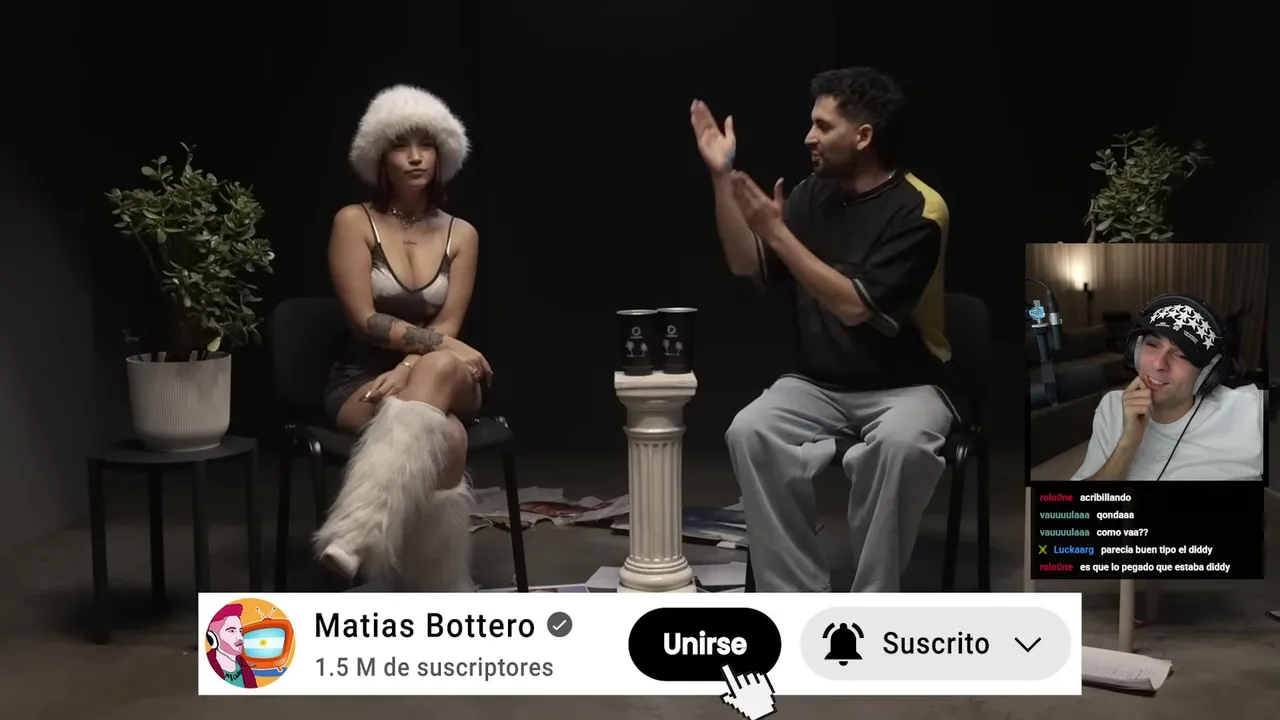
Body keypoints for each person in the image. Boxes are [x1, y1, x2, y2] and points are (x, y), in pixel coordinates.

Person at [691, 66, 956, 592]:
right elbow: (747, 262)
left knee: (902, 447)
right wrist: (722, 176)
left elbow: (854, 306)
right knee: (751, 430)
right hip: (818, 384)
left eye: (823, 126)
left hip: (908, 383)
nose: (808, 137)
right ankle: (797, 603)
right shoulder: (813, 194)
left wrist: (776, 232)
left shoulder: (921, 209)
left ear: (863, 136)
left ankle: (871, 606)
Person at [312, 84, 489, 591]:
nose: (415, 157)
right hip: (360, 377)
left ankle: (359, 533)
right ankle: (440, 586)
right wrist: (445, 349)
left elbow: (449, 326)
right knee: (448, 438)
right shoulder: (354, 221)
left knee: (440, 365)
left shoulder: (462, 233)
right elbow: (363, 320)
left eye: (426, 144)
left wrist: (410, 365)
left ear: (442, 154)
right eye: (400, 146)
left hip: (444, 378)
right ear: (379, 157)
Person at [1071, 293, 1264, 481]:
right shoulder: (1112, 406)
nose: (1158, 364)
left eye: (1181, 355)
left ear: (1207, 372)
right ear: (1135, 350)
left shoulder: (1248, 411)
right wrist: (1127, 445)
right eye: (1153, 344)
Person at [206, 603, 258, 688]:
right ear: (213, 638)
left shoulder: (244, 666)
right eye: (232, 631)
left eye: (240, 631)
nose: (240, 637)